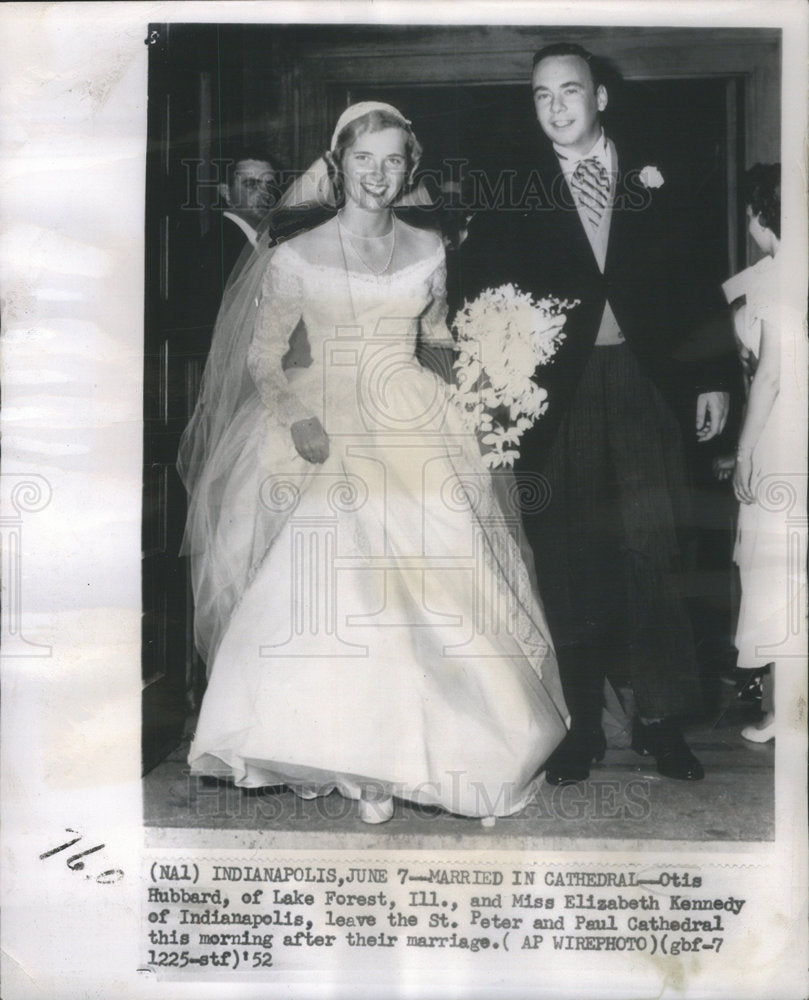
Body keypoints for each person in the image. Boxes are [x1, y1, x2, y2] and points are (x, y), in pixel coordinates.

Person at [178, 102, 568, 824]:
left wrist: (487, 387)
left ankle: (468, 756)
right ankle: (363, 767)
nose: (378, 175)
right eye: (363, 159)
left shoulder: (429, 248)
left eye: (392, 161)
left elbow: (436, 335)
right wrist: (297, 419)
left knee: (443, 587)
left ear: (408, 168)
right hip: (325, 419)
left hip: (414, 415)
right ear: (337, 165)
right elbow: (263, 356)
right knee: (347, 589)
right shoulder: (295, 255)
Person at [459, 44, 735, 785]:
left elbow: (695, 282)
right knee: (568, 558)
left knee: (657, 548)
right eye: (541, 95)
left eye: (569, 91)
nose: (555, 106)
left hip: (647, 385)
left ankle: (659, 721)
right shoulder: (514, 188)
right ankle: (576, 727)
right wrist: (494, 382)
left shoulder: (660, 174)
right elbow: (477, 291)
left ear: (599, 98)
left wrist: (711, 378)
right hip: (559, 398)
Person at [718, 164, 782, 744]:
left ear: (761, 218)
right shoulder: (762, 277)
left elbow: (767, 380)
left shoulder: (772, 279)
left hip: (781, 435)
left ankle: (784, 713)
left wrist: (742, 451)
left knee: (774, 572)